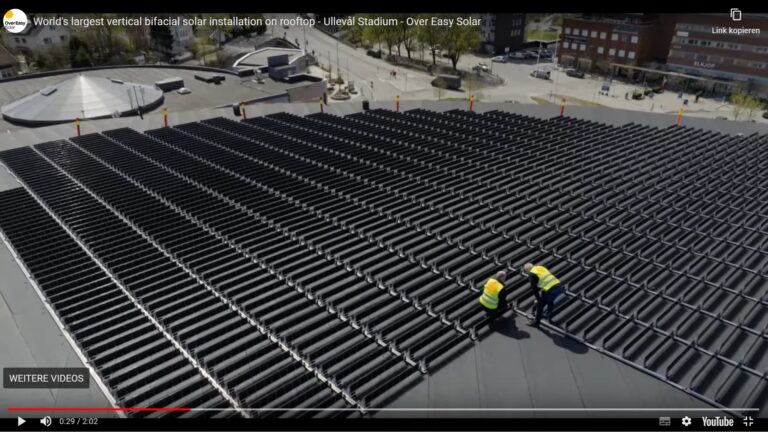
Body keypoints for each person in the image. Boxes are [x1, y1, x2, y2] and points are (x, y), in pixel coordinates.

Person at [523, 263, 564, 327]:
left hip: (551, 290)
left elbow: (534, 289)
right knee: (550, 300)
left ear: (527, 270)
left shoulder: (532, 274)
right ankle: (548, 314)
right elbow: (543, 281)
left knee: (540, 305)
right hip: (559, 286)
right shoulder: (540, 267)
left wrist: (538, 299)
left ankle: (536, 323)